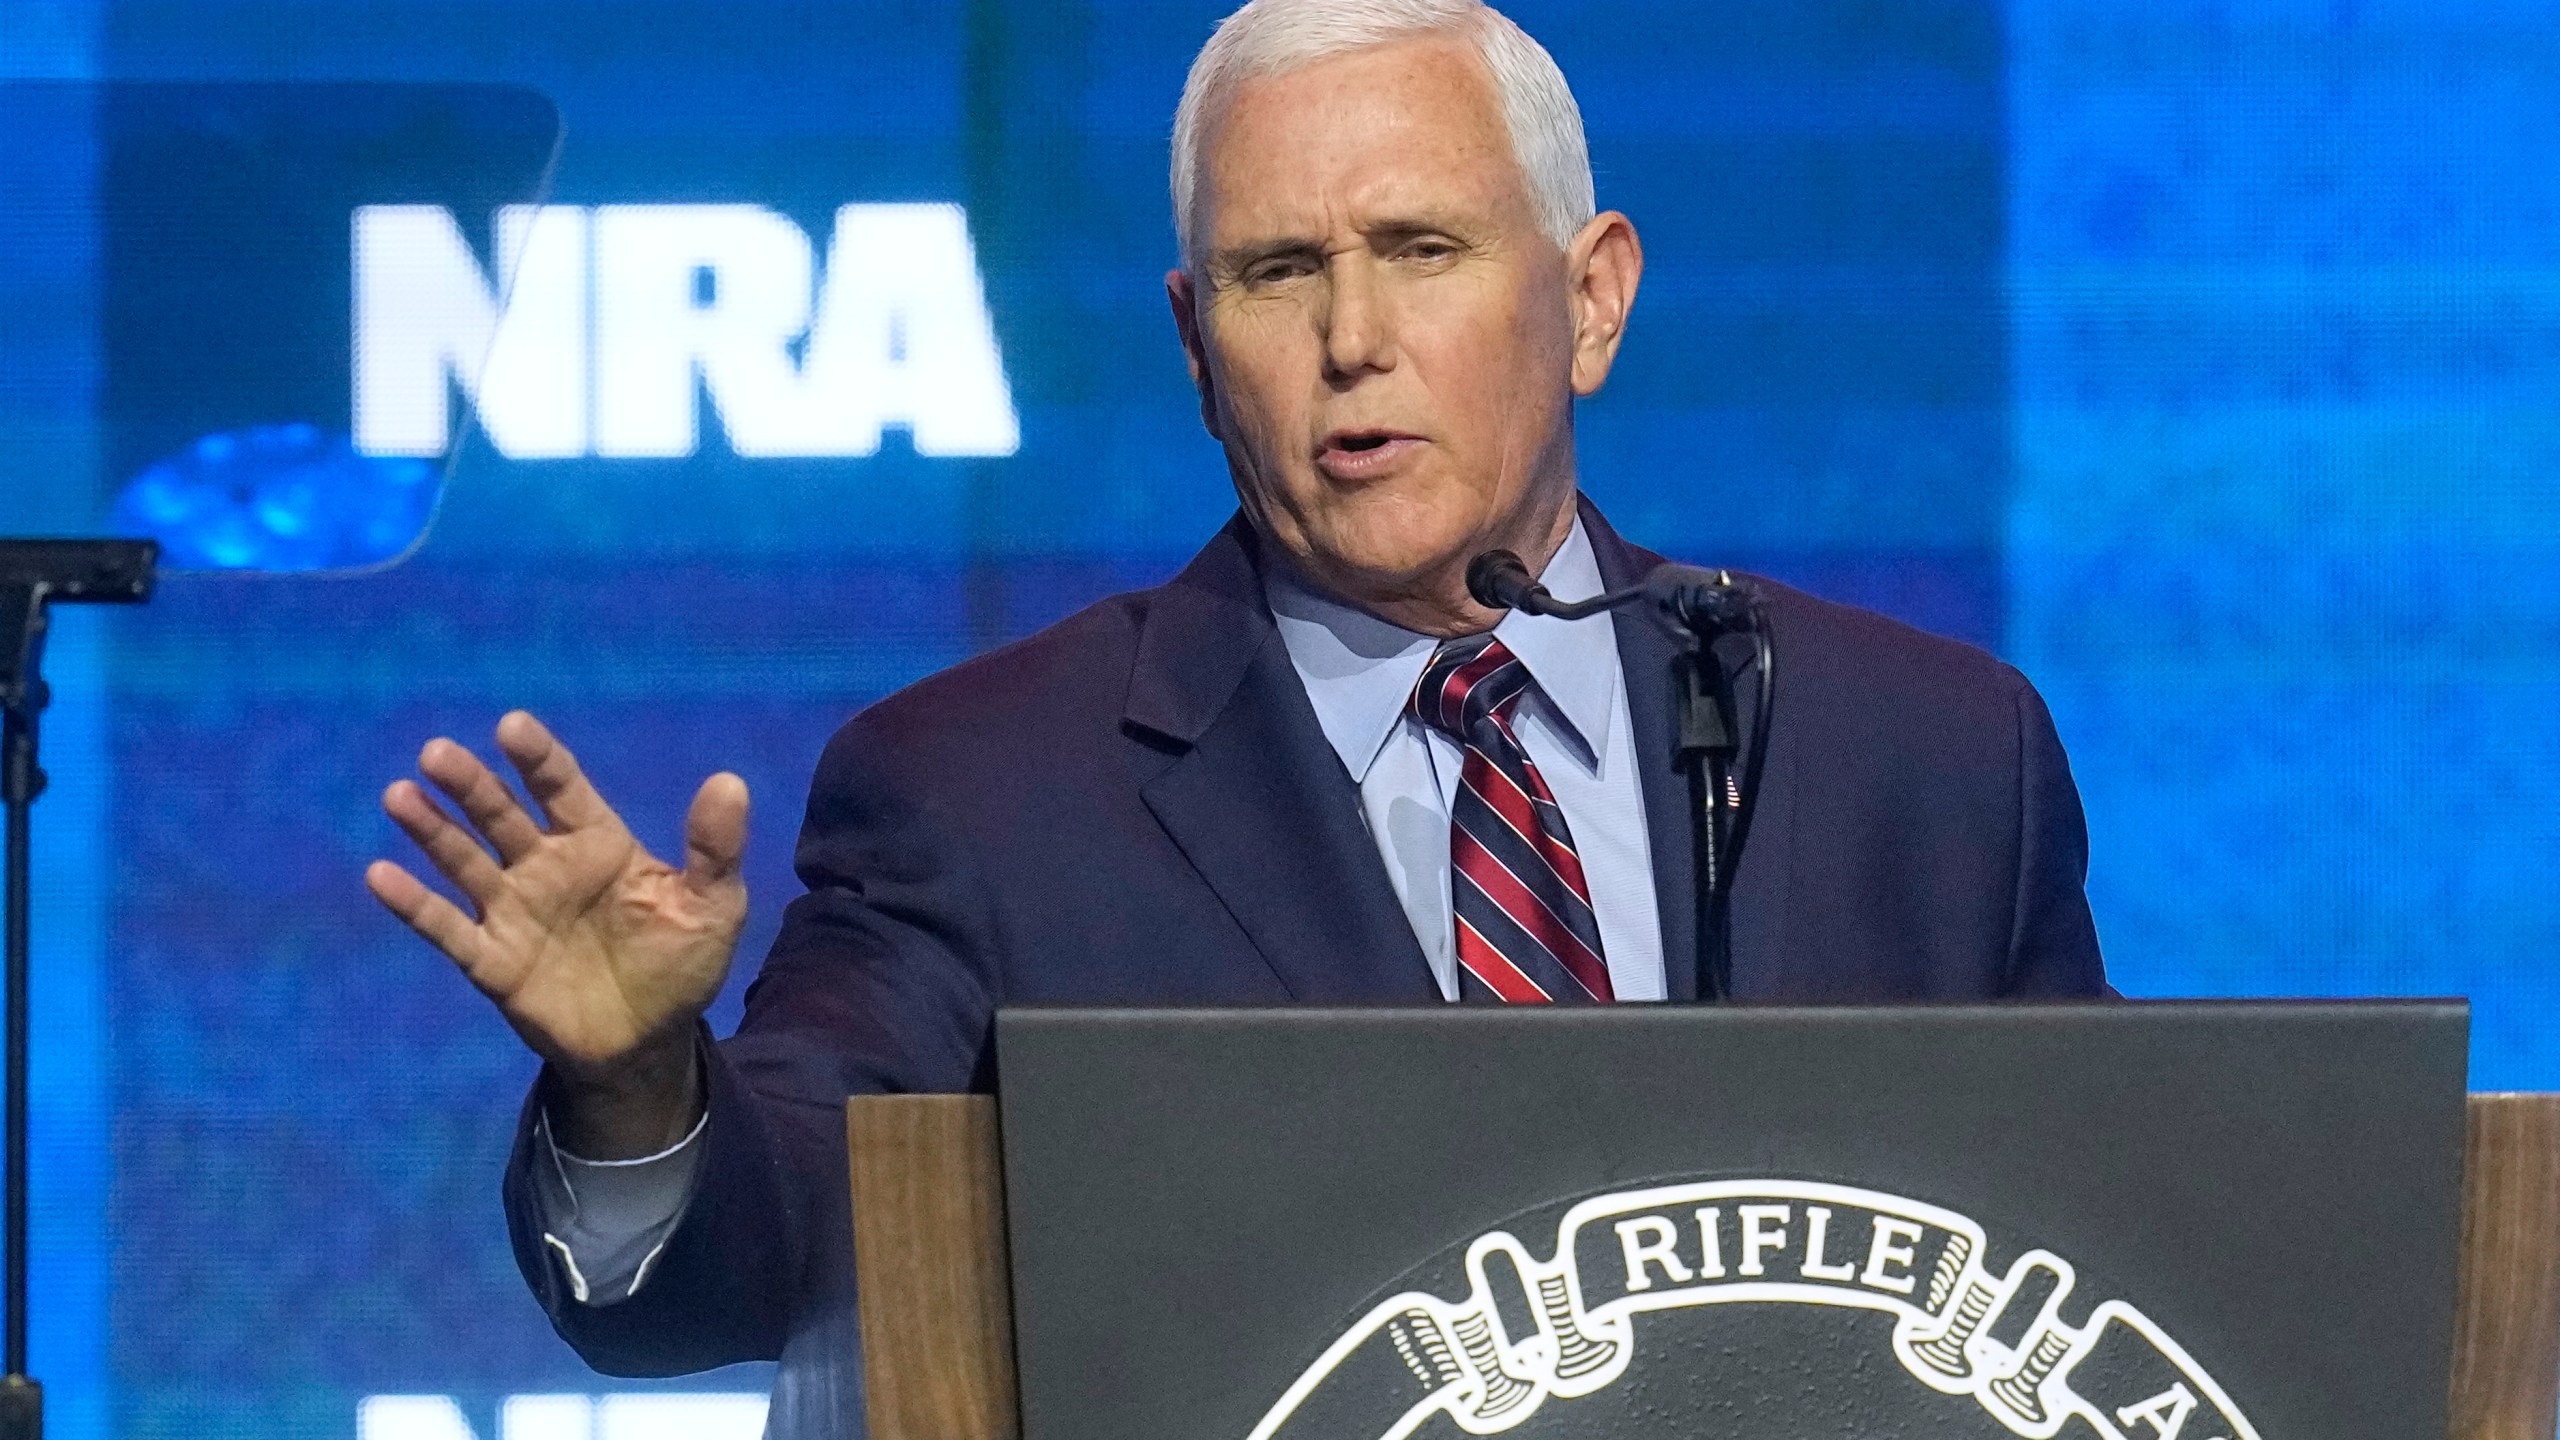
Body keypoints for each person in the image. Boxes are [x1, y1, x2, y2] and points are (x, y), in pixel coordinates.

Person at [366, 0, 2106, 1433]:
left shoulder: (1927, 757)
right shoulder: (982, 794)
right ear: (1197, 346)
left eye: (1423, 249)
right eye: (1279, 273)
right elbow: (776, 1249)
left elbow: (2109, 1275)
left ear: (1591, 299)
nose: (1355, 336)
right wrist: (638, 1088)